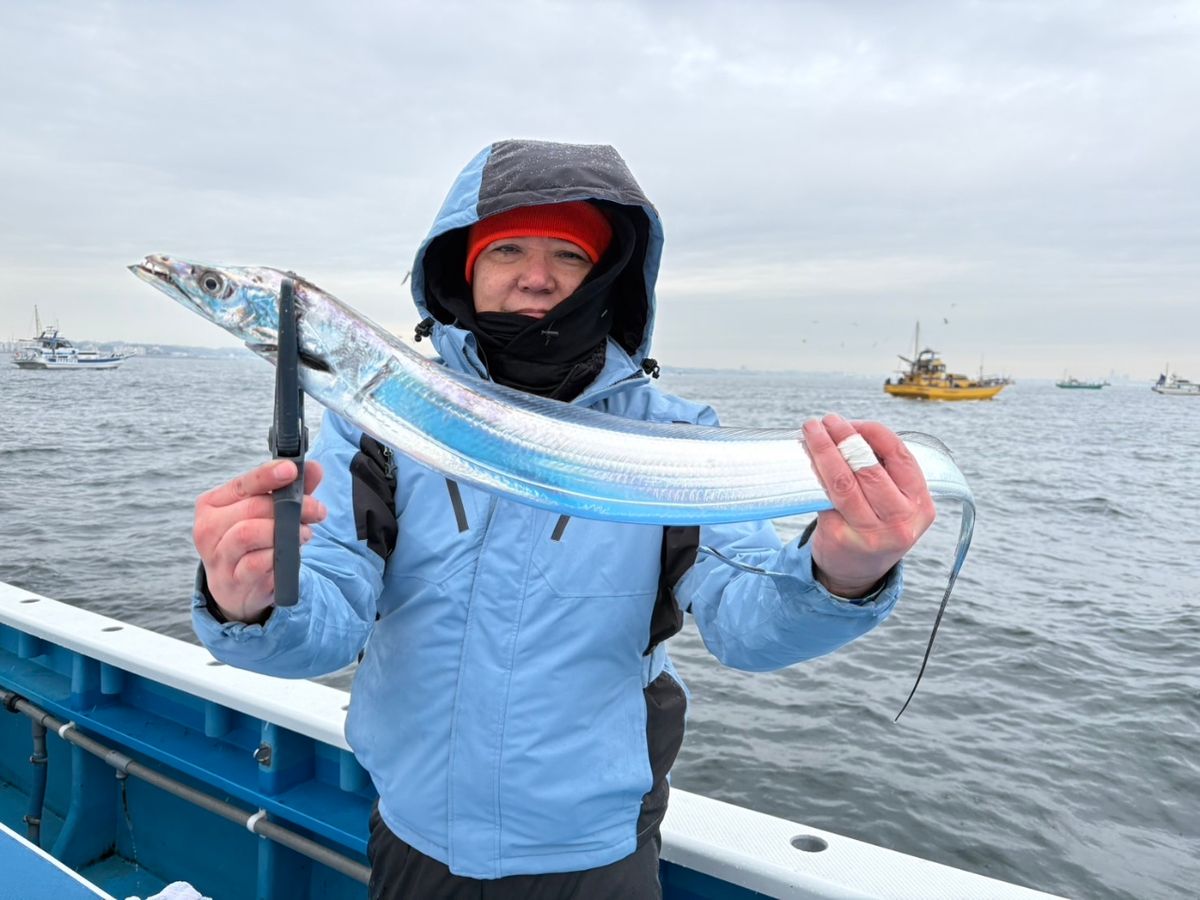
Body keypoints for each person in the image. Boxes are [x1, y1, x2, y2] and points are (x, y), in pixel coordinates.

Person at [191, 139, 935, 899]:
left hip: (595, 855)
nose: (536, 276)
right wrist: (248, 603)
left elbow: (747, 624)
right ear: (463, 269)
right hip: (414, 833)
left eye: (569, 255)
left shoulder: (674, 443)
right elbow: (328, 615)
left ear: (609, 277)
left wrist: (842, 574)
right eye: (507, 247)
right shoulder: (383, 425)